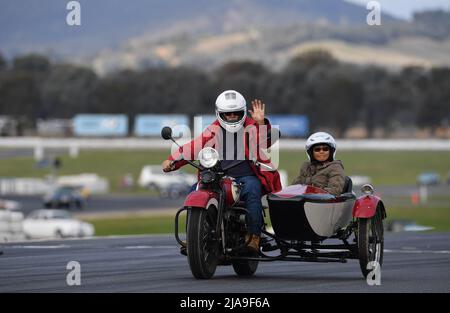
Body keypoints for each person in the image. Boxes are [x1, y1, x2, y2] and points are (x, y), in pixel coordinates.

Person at [162, 90, 281, 252]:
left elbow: (264, 142)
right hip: (217, 177)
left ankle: (254, 237)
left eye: (235, 113)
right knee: (193, 190)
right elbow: (194, 146)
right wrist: (172, 160)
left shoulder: (252, 125)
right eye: (228, 113)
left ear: (243, 112)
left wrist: (260, 123)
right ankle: (195, 235)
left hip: (246, 176)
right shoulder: (213, 129)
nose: (232, 116)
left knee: (253, 189)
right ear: (219, 114)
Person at [291, 132, 345, 196]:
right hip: (305, 202)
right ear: (311, 152)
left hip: (324, 203)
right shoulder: (306, 167)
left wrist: (313, 193)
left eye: (325, 149)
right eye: (317, 149)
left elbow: (335, 190)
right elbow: (294, 188)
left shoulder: (335, 167)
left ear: (331, 151)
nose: (321, 152)